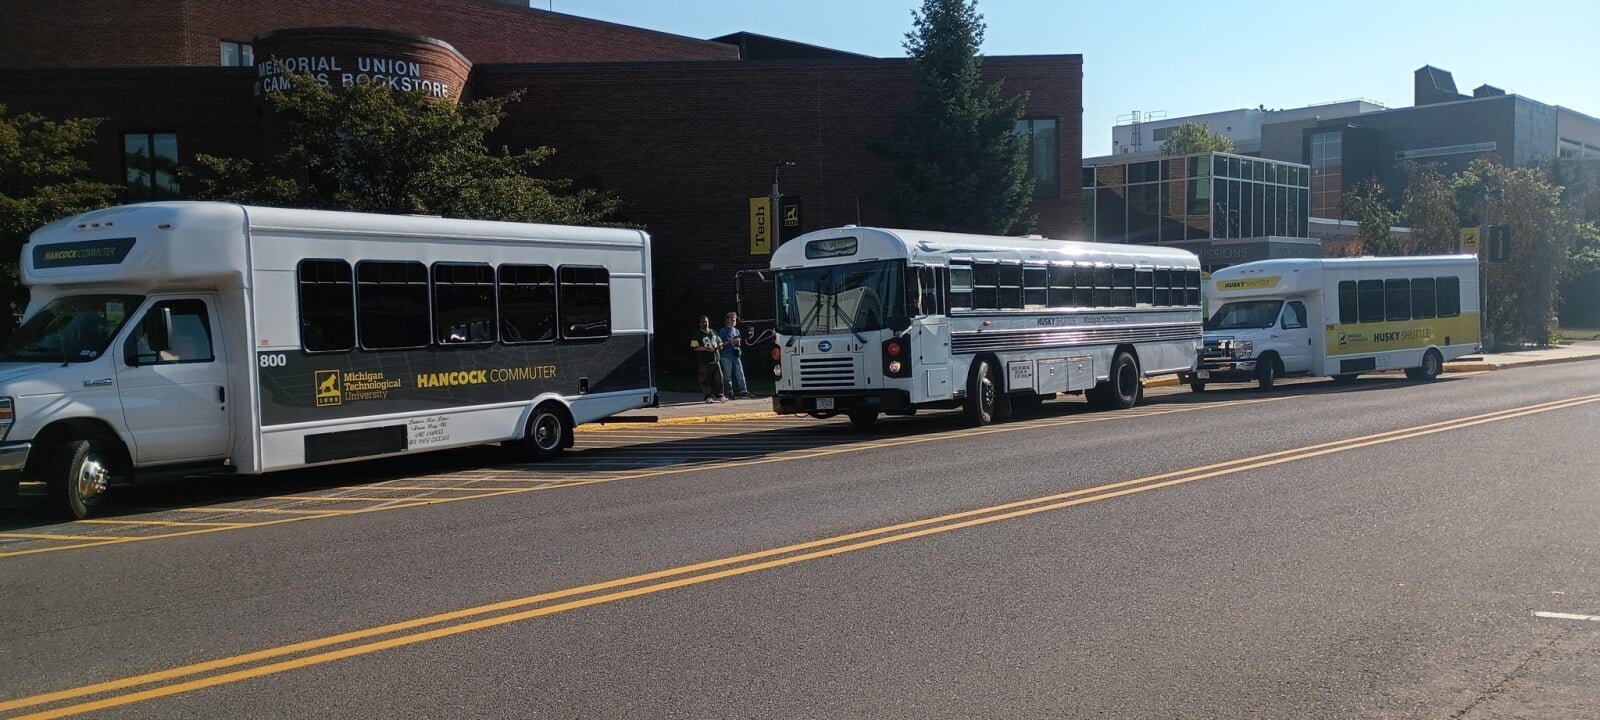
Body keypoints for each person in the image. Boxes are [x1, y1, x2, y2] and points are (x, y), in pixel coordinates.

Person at [690, 315, 726, 403]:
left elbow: (720, 342)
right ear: (700, 324)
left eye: (706, 322)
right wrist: (706, 349)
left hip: (715, 359)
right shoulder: (697, 334)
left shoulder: (713, 332)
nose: (705, 324)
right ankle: (707, 396)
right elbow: (694, 347)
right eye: (703, 322)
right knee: (705, 379)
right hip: (704, 361)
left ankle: (719, 395)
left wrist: (719, 345)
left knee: (719, 378)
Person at [717, 311, 752, 399]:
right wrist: (730, 341)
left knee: (740, 373)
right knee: (727, 374)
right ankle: (729, 391)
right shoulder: (723, 331)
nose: (734, 321)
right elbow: (719, 344)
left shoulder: (736, 331)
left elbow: (739, 342)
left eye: (735, 319)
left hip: (735, 354)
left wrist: (738, 342)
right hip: (726, 355)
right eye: (732, 319)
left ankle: (743, 390)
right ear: (727, 319)